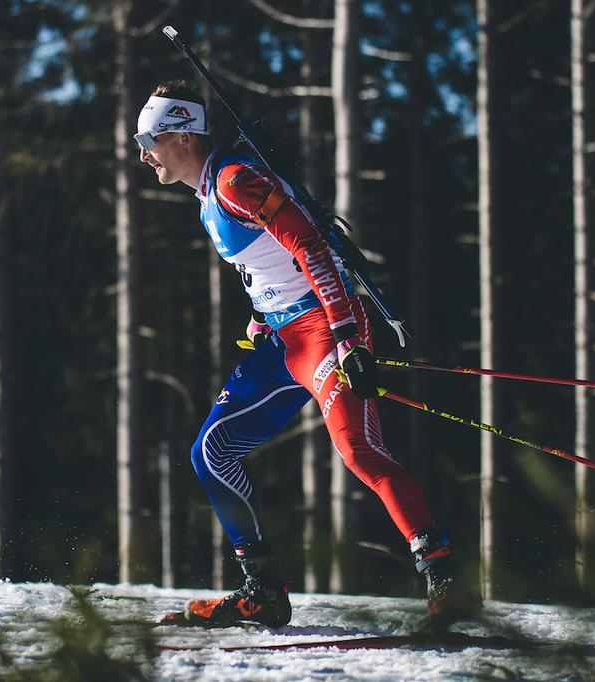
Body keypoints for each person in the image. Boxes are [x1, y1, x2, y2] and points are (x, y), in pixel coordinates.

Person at [135, 80, 476, 627]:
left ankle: (445, 578)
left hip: (323, 327)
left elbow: (311, 247)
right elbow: (270, 263)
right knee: (212, 452)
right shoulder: (206, 197)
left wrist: (345, 335)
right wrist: (260, 313)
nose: (142, 153)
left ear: (181, 135)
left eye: (146, 138)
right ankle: (264, 589)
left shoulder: (234, 181)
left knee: (358, 450)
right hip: (284, 339)